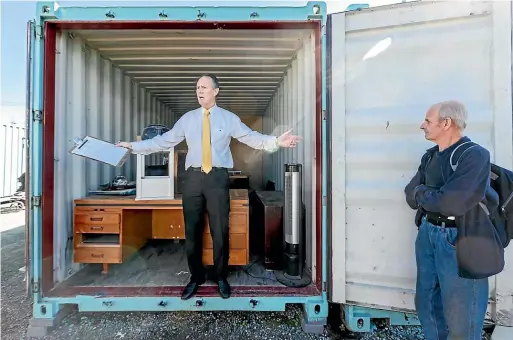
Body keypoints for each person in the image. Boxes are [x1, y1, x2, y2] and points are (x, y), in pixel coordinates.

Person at [117, 74, 301, 300]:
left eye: (204, 87)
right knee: (192, 232)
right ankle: (195, 278)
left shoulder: (228, 119)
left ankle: (221, 277)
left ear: (216, 91)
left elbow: (251, 138)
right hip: (192, 179)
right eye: (197, 87)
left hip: (217, 179)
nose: (199, 91)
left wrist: (275, 142)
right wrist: (132, 146)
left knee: (220, 230)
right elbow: (162, 141)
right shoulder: (187, 119)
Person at [404, 100, 499, 340]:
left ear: (446, 123)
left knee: (461, 311)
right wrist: (429, 196)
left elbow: (452, 203)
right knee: (426, 302)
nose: (421, 126)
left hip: (458, 239)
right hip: (428, 233)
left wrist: (425, 193)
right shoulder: (430, 157)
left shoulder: (474, 156)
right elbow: (410, 193)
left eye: (427, 120)